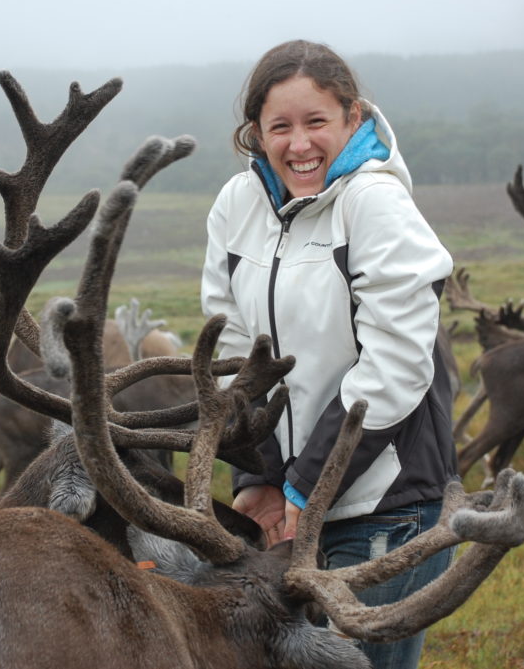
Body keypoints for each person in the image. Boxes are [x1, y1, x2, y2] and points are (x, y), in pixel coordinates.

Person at [200, 39, 457, 669]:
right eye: (279, 127)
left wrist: (304, 481)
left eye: (317, 122)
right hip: (284, 507)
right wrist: (258, 477)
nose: (299, 144)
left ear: (353, 117)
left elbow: (393, 369)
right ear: (255, 133)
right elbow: (233, 353)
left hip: (384, 507)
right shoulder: (238, 206)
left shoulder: (376, 205)